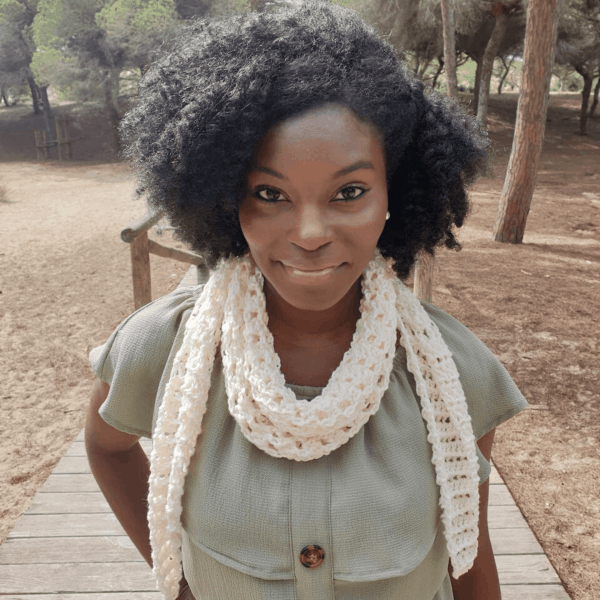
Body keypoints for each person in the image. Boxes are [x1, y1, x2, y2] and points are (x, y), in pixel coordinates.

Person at [84, 3, 528, 599]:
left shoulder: (449, 372)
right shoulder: (164, 346)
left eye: (349, 192)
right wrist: (184, 584)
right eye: (270, 193)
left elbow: (468, 543)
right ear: (226, 198)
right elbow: (106, 447)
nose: (311, 232)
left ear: (394, 192)